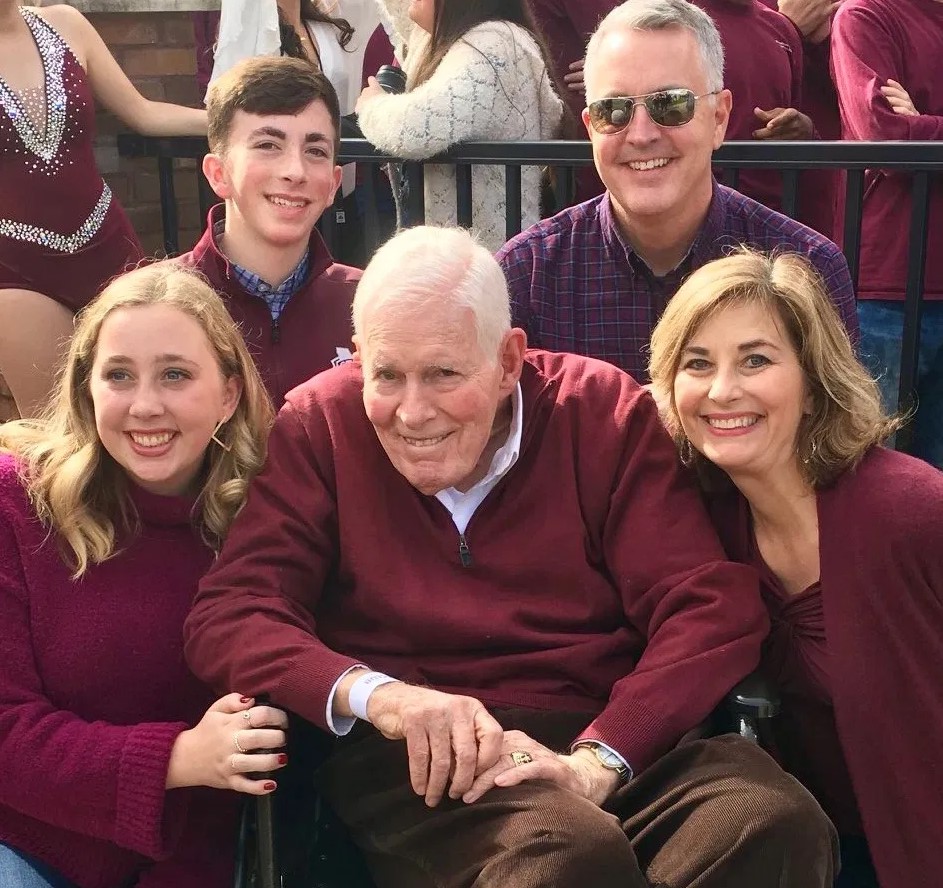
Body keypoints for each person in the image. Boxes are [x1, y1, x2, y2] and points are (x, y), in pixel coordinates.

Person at [184, 224, 838, 888]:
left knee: (772, 823)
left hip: (607, 732)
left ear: (507, 360)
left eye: (443, 374)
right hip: (421, 761)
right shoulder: (319, 425)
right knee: (563, 857)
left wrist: (601, 757)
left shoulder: (600, 413)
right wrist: (385, 698)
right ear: (358, 360)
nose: (412, 412)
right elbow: (234, 613)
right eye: (386, 375)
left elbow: (708, 606)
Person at [649, 248, 943, 888]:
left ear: (812, 384)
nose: (722, 390)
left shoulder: (912, 510)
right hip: (811, 848)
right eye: (697, 364)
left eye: (755, 360)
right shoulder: (705, 519)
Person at [0, 263, 287, 888]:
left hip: (185, 861)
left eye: (175, 374)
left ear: (230, 394)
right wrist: (177, 758)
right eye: (119, 375)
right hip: (21, 843)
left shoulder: (266, 524)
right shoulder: (16, 504)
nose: (145, 405)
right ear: (87, 389)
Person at [496, 0, 858, 384]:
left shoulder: (808, 269)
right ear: (590, 128)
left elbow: (838, 420)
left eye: (670, 105)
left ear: (719, 118)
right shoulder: (527, 277)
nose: (641, 134)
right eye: (613, 110)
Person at [0, 1, 207, 419]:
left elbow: (145, 113)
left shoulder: (66, 24)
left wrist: (240, 121)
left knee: (151, 404)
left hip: (109, 244)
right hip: (16, 266)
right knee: (59, 428)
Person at [178, 56, 361, 408]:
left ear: (333, 184)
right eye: (268, 145)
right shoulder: (155, 305)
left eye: (315, 151)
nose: (295, 171)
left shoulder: (369, 303)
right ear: (218, 174)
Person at [354, 0, 565, 252]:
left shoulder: (494, 43)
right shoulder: (438, 42)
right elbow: (402, 17)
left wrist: (372, 105)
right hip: (450, 254)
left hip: (488, 257)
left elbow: (417, 129)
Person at [830, 0, 943, 469]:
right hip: (884, 293)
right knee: (871, 472)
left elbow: (904, 137)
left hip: (902, 289)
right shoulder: (864, 14)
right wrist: (908, 130)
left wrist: (924, 124)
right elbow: (884, 135)